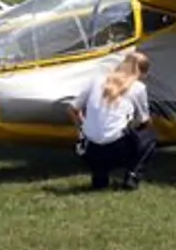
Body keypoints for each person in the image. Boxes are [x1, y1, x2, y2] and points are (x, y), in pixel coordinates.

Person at [67, 51, 157, 190]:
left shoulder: (96, 80)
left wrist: (82, 129)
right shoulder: (138, 88)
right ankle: (133, 175)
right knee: (149, 137)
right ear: (142, 73)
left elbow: (72, 109)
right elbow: (144, 121)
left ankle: (99, 174)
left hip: (90, 150)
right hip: (117, 149)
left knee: (101, 138)